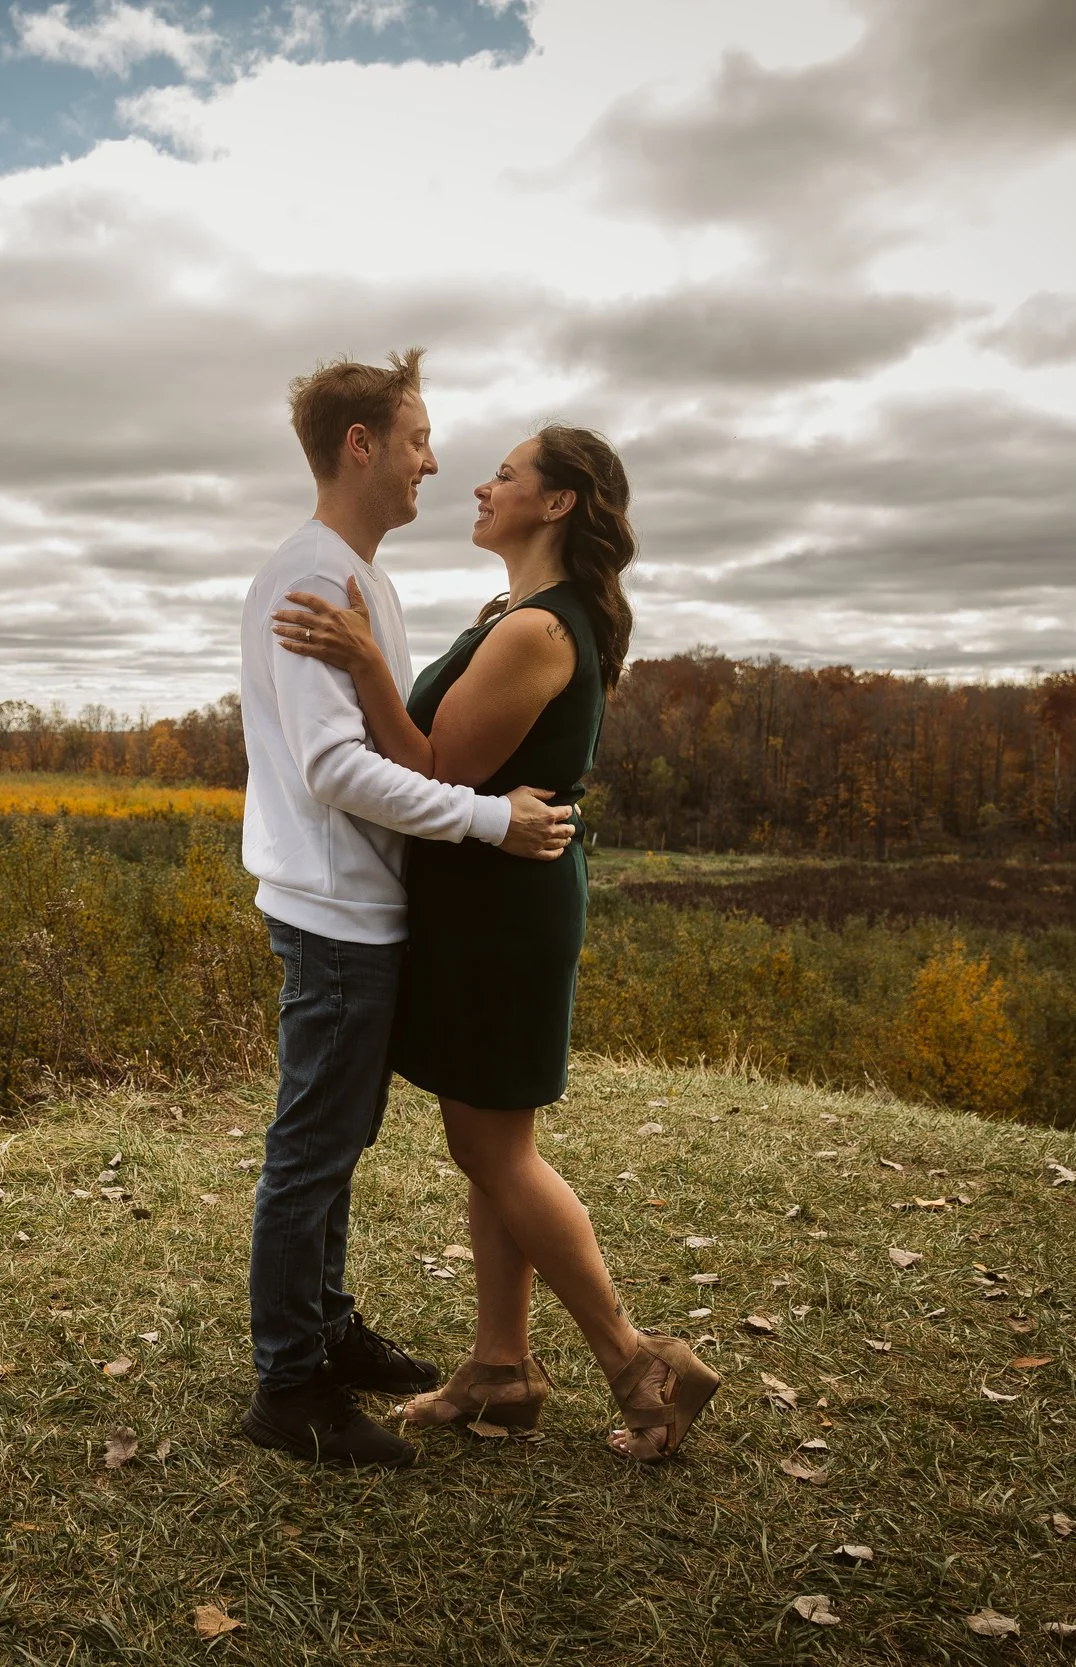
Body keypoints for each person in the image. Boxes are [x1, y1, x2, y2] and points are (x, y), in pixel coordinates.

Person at [272, 421, 721, 1462]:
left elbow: (431, 762)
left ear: (557, 503)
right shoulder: (511, 614)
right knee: (485, 1146)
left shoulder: (535, 631)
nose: (478, 484)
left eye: (506, 474)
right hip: (481, 901)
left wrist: (365, 662)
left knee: (491, 1145)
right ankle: (500, 1366)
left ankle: (635, 1360)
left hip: (502, 912)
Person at [239, 351, 576, 1469]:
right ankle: (289, 1385)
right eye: (420, 437)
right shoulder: (312, 575)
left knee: (338, 1141)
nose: (435, 461)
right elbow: (337, 767)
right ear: (360, 445)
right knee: (312, 1147)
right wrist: (485, 821)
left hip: (363, 905)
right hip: (333, 906)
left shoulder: (362, 577)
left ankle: (325, 1327)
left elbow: (381, 738)